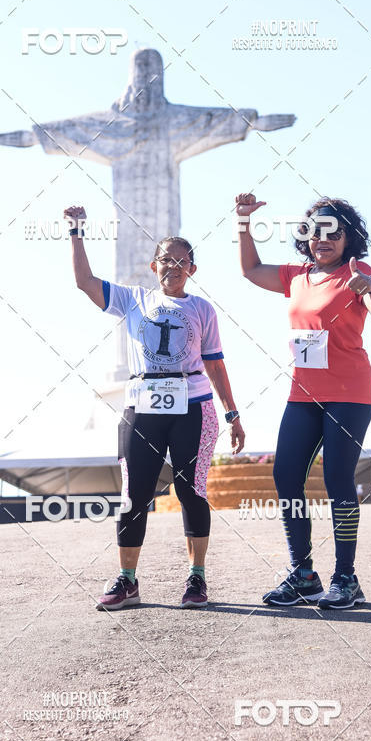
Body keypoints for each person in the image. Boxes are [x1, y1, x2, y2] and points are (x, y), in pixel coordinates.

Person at [66, 205, 245, 610]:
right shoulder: (132, 300)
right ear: (154, 265)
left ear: (192, 270)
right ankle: (127, 581)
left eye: (182, 261)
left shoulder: (202, 310)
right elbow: (83, 281)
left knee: (191, 491)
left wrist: (232, 414)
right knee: (134, 494)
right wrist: (77, 231)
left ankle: (196, 579)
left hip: (194, 407)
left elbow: (215, 363)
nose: (174, 266)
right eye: (167, 259)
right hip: (141, 406)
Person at [236, 193, 371, 609]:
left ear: (348, 237)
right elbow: (250, 270)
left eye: (333, 232)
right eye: (313, 231)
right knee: (286, 477)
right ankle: (303, 574)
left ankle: (346, 578)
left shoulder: (357, 271)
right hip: (303, 394)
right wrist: (243, 222)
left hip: (348, 395)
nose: (322, 239)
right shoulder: (296, 275)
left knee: (338, 481)